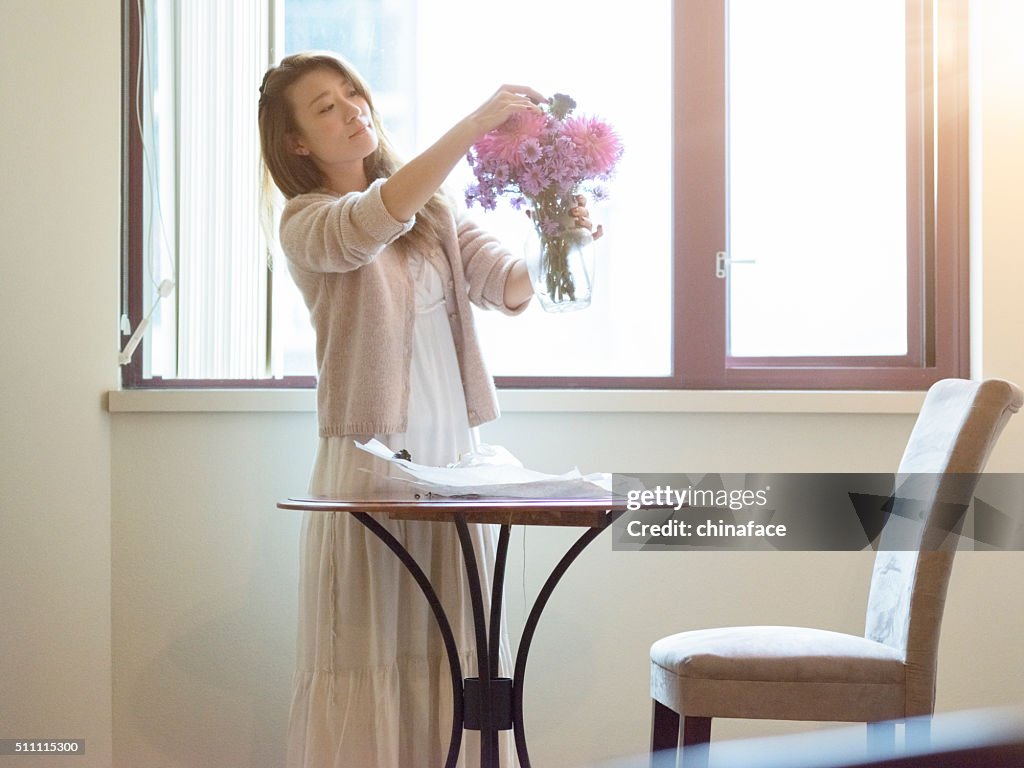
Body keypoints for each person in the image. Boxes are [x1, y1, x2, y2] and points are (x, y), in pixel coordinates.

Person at [257, 51, 599, 768]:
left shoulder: (432, 212)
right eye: (325, 107)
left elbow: (507, 286)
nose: (352, 108)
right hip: (371, 462)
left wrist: (555, 239)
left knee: (456, 646)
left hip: (452, 457)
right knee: (371, 646)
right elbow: (371, 221)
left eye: (352, 93)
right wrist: (475, 125)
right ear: (296, 143)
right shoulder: (306, 221)